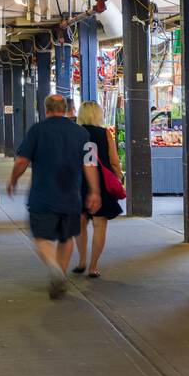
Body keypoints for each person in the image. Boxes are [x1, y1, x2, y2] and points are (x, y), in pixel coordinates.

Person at [7, 93, 101, 299]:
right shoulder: (82, 133)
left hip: (43, 195)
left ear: (46, 109)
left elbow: (22, 161)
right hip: (71, 196)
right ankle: (61, 274)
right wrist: (94, 191)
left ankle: (54, 269)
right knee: (66, 237)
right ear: (66, 109)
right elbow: (90, 164)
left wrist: (13, 179)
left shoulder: (37, 131)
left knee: (41, 237)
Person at [73, 100, 123, 278]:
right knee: (99, 225)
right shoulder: (105, 134)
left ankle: (81, 261)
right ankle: (93, 267)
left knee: (80, 223)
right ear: (98, 115)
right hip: (100, 182)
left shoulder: (75, 133)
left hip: (79, 181)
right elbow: (114, 160)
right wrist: (118, 175)